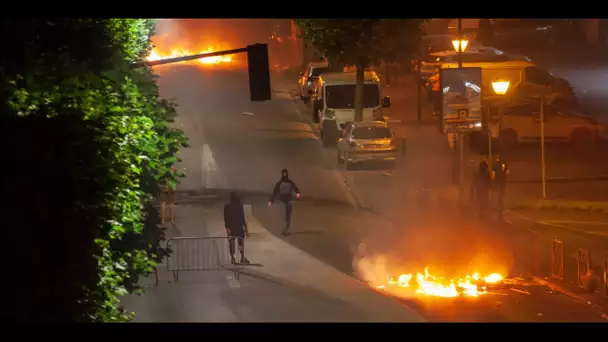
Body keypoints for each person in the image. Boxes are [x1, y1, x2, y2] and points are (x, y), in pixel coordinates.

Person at [268, 169, 301, 236]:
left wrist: (298, 193)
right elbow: (274, 192)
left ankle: (286, 230)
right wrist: (271, 201)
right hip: (281, 202)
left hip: (289, 201)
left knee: (288, 216)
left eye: (286, 174)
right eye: (284, 174)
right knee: (283, 216)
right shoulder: (279, 183)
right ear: (282, 174)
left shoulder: (290, 183)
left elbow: (295, 188)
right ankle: (284, 230)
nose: (285, 175)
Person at [224, 192, 249, 264]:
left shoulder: (227, 207)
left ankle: (234, 257)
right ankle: (240, 257)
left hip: (233, 228)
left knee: (232, 243)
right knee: (240, 243)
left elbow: (226, 219)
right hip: (238, 227)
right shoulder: (238, 206)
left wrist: (227, 228)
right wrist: (245, 229)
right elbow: (242, 217)